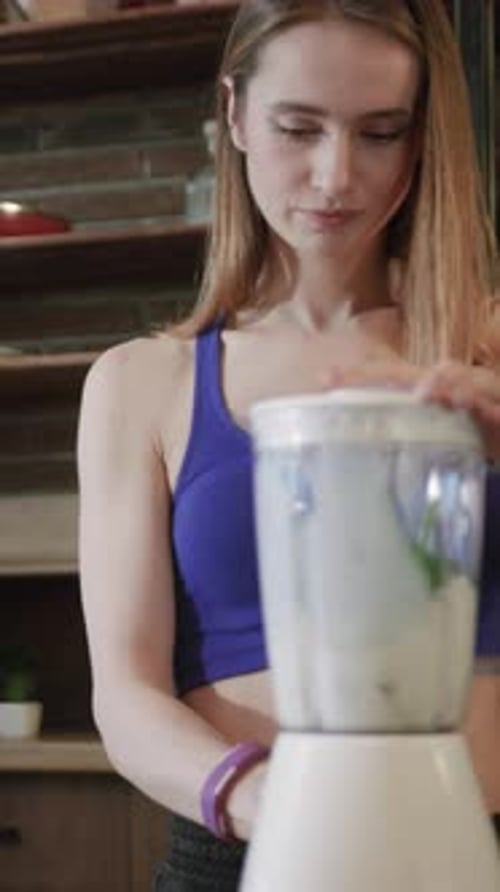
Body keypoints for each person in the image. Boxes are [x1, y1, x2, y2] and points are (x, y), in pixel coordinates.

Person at [77, 2, 500, 889]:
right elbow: (125, 697)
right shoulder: (142, 384)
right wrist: (280, 809)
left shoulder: (492, 349)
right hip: (251, 853)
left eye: (380, 132)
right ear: (233, 114)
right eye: (298, 127)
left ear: (422, 139)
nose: (336, 175)